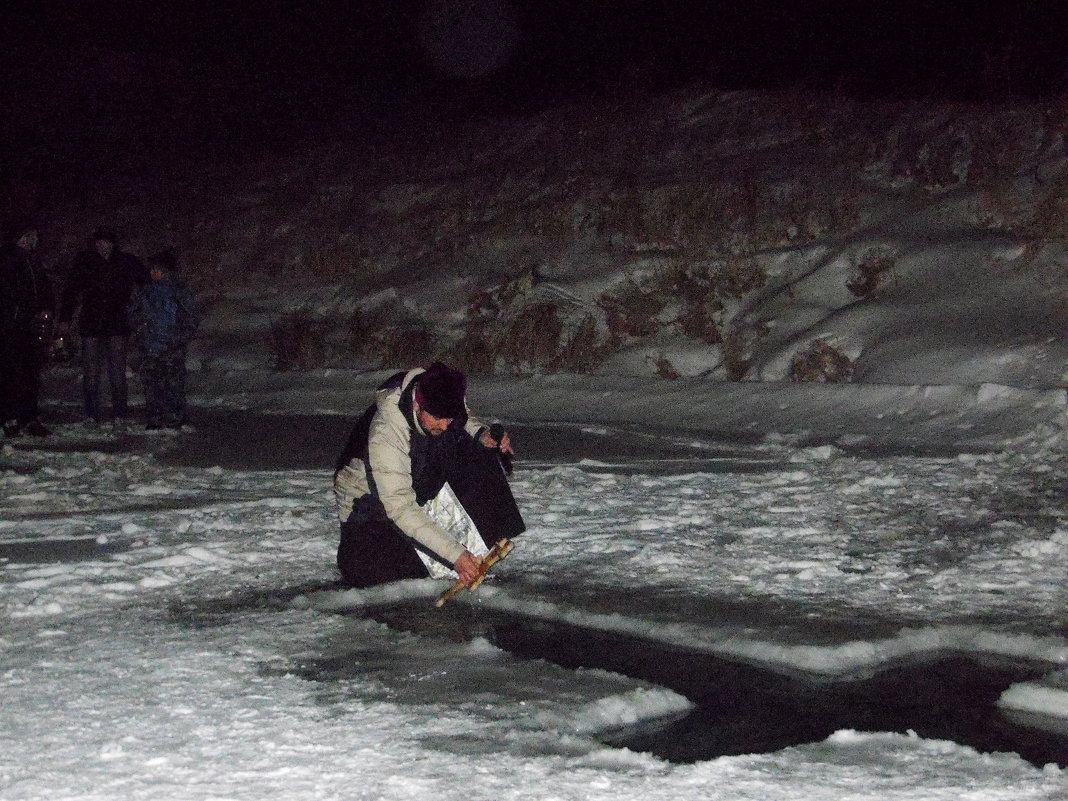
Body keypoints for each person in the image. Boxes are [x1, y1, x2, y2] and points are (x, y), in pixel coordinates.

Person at [333, 362, 525, 588]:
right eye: (437, 418)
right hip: (367, 503)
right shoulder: (386, 431)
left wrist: (482, 435)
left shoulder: (441, 391)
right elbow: (400, 507)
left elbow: (463, 418)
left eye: (448, 418)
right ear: (416, 405)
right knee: (374, 573)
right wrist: (455, 555)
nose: (444, 425)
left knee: (474, 446)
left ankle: (486, 537)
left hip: (416, 477)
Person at [57, 227, 149, 426]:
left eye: (106, 241)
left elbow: (147, 282)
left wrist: (140, 311)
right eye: (98, 241)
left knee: (117, 371)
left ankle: (120, 414)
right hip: (91, 323)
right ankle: (91, 413)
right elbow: (71, 291)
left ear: (113, 243)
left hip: (117, 323)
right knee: (90, 371)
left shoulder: (125, 261)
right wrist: (65, 319)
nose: (102, 245)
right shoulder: (85, 261)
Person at [127, 249, 199, 430]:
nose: (152, 273)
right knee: (152, 384)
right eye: (151, 270)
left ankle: (175, 418)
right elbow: (132, 315)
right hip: (150, 346)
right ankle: (155, 418)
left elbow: (191, 319)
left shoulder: (179, 292)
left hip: (171, 346)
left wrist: (178, 339)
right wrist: (139, 328)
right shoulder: (145, 292)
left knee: (173, 384)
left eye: (156, 270)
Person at [0, 223, 55, 438]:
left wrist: (46, 308)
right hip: (10, 326)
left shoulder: (33, 261)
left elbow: (43, 288)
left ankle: (29, 417)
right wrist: (15, 313)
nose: (32, 241)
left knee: (30, 373)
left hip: (29, 325)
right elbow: (8, 291)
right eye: (28, 236)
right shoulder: (7, 259)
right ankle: (9, 417)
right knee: (11, 373)